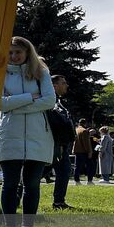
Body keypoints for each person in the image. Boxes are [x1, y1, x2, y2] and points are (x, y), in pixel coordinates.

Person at [0, 36, 56, 227]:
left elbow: (49, 101)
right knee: (10, 183)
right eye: (10, 52)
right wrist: (30, 97)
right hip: (9, 134)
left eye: (18, 52)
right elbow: (0, 104)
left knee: (32, 184)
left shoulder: (41, 72)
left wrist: (15, 106)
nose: (14, 56)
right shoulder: (0, 73)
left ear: (27, 52)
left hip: (37, 135)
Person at [46, 74, 76, 209]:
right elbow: (57, 123)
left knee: (63, 171)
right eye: (63, 83)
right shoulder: (50, 102)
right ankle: (17, 195)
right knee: (40, 171)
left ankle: (59, 202)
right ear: (54, 85)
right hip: (54, 143)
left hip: (60, 144)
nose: (67, 85)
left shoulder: (56, 101)